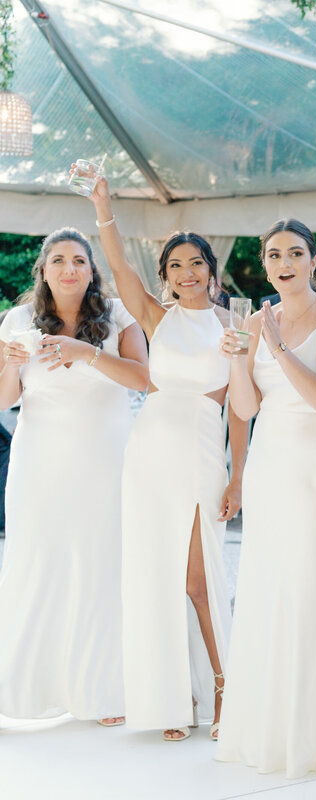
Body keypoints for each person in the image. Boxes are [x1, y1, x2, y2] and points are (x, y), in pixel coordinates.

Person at [81, 174, 248, 743]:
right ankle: (171, 699)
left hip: (202, 453)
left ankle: (228, 688)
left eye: (195, 262)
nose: (186, 272)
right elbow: (119, 268)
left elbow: (240, 412)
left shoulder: (236, 325)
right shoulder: (157, 318)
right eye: (175, 265)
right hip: (149, 452)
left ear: (212, 270)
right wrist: (104, 207)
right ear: (167, 276)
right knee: (155, 578)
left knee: (200, 582)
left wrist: (238, 475)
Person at [215, 219, 316, 778]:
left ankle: (309, 740)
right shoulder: (252, 319)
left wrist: (277, 347)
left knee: (306, 591)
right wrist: (237, 358)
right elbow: (247, 408)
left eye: (295, 252)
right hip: (272, 466)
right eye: (274, 254)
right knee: (265, 592)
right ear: (265, 263)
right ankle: (263, 732)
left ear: (313, 259)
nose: (284, 262)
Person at [0, 228, 149, 725]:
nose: (69, 269)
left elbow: (143, 380)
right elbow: (5, 399)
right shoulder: (18, 320)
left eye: (79, 261)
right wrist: (6, 361)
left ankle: (103, 691)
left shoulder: (117, 316)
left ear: (91, 270)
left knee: (101, 566)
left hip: (106, 460)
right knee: (40, 565)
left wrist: (87, 353)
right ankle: (34, 691)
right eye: (58, 260)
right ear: (43, 269)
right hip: (39, 463)